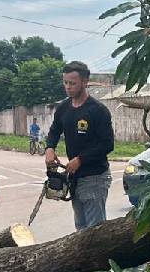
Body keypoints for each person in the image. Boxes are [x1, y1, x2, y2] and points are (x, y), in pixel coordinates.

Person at [44, 61, 115, 230]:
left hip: (95, 177)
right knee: (81, 228)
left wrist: (81, 159)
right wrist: (50, 148)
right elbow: (54, 131)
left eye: (73, 83)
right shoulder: (63, 108)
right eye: (65, 82)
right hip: (74, 177)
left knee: (94, 231)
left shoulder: (98, 110)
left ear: (85, 82)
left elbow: (107, 144)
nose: (68, 87)